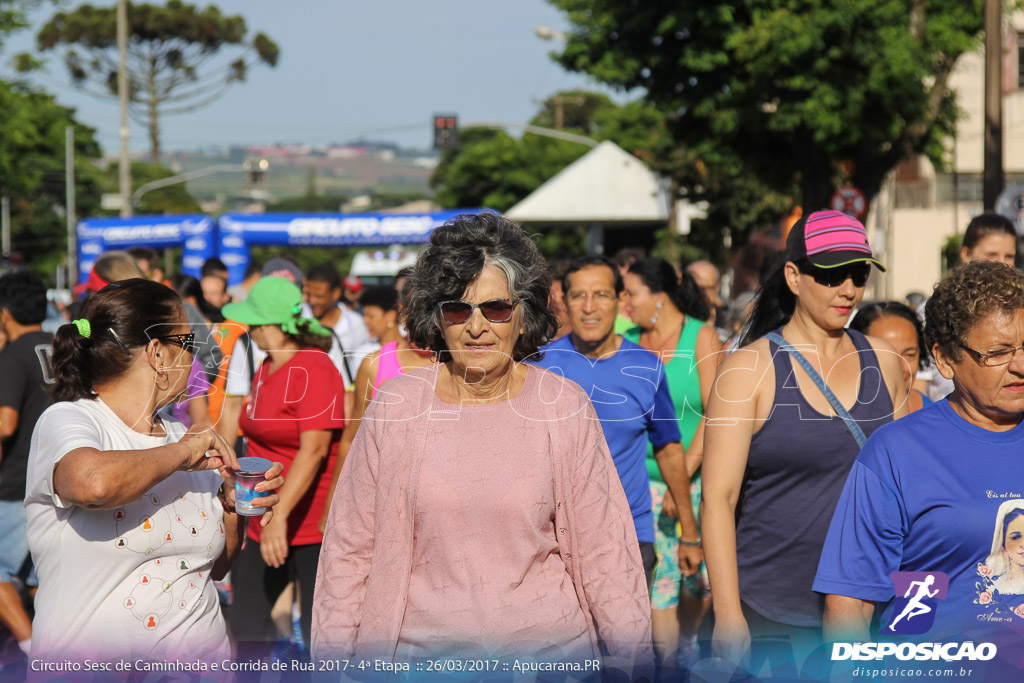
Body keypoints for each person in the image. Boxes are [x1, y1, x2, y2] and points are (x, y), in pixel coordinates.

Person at [312, 214, 654, 675]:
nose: (476, 327)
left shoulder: (563, 406)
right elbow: (349, 549)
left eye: (496, 309)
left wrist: (636, 661)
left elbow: (605, 549)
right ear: (436, 316)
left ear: (523, 314)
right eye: (457, 309)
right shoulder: (396, 405)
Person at [23, 278, 282, 664]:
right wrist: (182, 452)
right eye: (188, 344)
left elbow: (215, 567)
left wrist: (232, 507)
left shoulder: (183, 439)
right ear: (157, 353)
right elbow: (95, 484)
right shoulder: (69, 420)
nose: (195, 358)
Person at [702, 210, 907, 667]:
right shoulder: (747, 370)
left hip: (869, 604)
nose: (849, 289)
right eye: (832, 274)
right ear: (794, 276)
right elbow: (718, 498)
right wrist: (728, 613)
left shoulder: (886, 361)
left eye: (859, 274)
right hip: (772, 612)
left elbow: (906, 483)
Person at [814, 261, 1024, 677]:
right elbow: (850, 605)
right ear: (945, 360)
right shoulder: (898, 452)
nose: (1020, 365)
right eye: (998, 353)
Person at [222, 276, 345, 653]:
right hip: (261, 520)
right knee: (246, 629)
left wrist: (282, 517)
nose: (250, 330)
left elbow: (315, 451)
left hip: (309, 529)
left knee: (318, 639)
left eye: (253, 322)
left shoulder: (315, 368)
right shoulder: (265, 367)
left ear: (268, 324)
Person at [621, 257, 722, 668]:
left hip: (695, 476)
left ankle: (686, 647)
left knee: (701, 583)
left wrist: (684, 475)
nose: (624, 304)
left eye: (631, 294)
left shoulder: (702, 337)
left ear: (659, 297)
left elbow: (718, 413)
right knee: (660, 580)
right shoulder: (625, 340)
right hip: (639, 480)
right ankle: (669, 666)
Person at [318, 285, 432, 531]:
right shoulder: (374, 365)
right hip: (381, 504)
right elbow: (351, 438)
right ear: (402, 315)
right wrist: (332, 504)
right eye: (416, 315)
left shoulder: (455, 366)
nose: (424, 325)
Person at [0, 270, 53, 657]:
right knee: (41, 578)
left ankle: (36, 653)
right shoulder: (61, 347)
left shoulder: (13, 355)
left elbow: (5, 423)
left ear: (5, 313)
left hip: (15, 485)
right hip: (57, 483)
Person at [916, 213, 1019, 403]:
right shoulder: (931, 314)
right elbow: (918, 388)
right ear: (965, 254)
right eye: (991, 255)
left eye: (1009, 256)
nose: (1002, 263)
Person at [850, 301, 932, 414]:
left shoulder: (933, 416)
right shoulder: (837, 416)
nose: (900, 368)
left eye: (909, 355)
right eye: (886, 355)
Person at [302, 264, 372, 392]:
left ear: (336, 293)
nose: (312, 301)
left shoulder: (356, 324)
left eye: (319, 296)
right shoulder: (298, 321)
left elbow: (362, 368)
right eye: (309, 295)